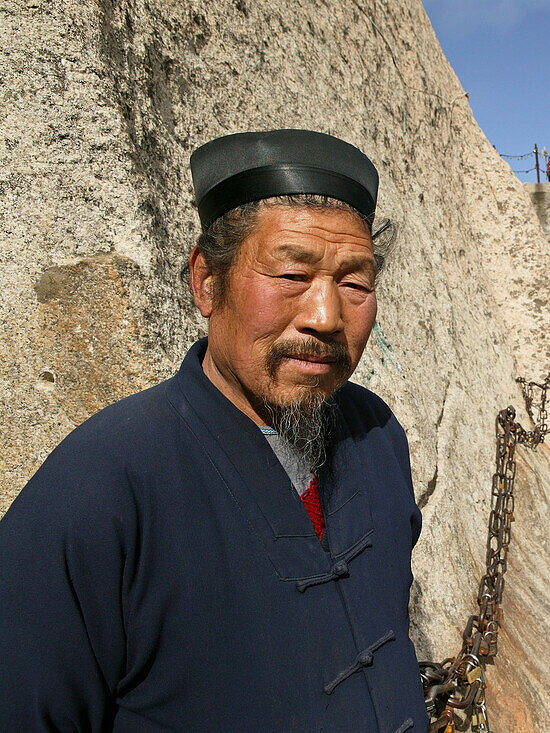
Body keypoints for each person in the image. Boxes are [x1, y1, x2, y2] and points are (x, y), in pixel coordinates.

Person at [0, 130, 427, 732]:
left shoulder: (377, 436)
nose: (326, 317)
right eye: (289, 274)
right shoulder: (100, 489)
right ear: (207, 281)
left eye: (355, 283)